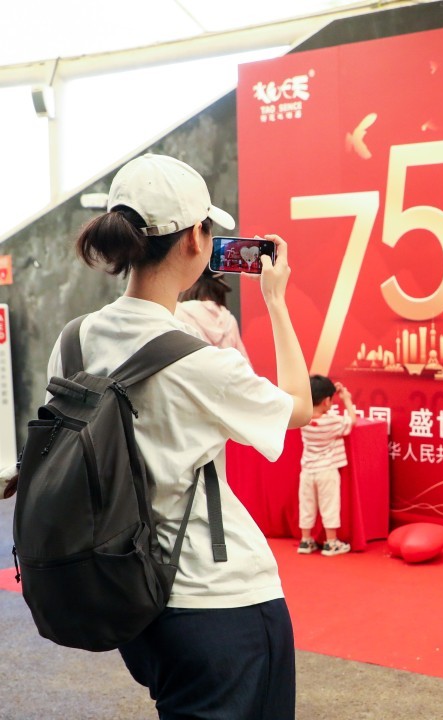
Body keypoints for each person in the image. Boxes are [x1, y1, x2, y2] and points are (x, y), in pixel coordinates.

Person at [53, 153, 312, 718]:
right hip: (223, 602)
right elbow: (299, 407)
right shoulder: (197, 361)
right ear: (195, 238)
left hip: (131, 596)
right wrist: (276, 301)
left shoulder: (74, 340)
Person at [298, 375, 357, 556]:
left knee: (306, 506)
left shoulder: (303, 419)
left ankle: (305, 541)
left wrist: (329, 393)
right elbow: (352, 421)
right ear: (326, 401)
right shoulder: (332, 421)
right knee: (329, 506)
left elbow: (320, 410)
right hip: (327, 471)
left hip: (307, 471)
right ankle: (331, 543)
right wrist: (346, 399)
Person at [175, 267, 250, 361]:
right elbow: (244, 363)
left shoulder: (177, 313)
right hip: (223, 370)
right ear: (219, 289)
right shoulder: (229, 320)